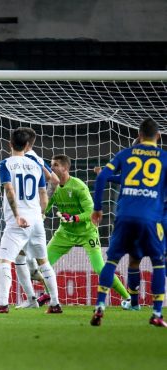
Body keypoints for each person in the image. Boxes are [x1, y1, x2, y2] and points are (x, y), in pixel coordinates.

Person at [90, 118, 167, 327]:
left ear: (139, 135)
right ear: (158, 136)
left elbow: (102, 178)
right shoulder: (164, 158)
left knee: (112, 262)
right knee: (159, 263)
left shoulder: (125, 154)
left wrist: (97, 208)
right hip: (152, 219)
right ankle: (157, 313)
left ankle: (100, 306)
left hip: (124, 217)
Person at [35, 154, 131, 308]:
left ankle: (128, 298)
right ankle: (49, 294)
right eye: (51, 165)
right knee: (42, 265)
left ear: (65, 168)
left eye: (55, 165)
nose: (51, 168)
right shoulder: (53, 187)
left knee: (100, 269)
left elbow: (91, 212)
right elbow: (46, 205)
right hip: (65, 233)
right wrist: (39, 215)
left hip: (87, 232)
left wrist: (74, 218)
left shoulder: (78, 186)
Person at [0, 127, 62, 314]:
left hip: (18, 222)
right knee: (43, 262)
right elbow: (44, 193)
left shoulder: (5, 164)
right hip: (36, 220)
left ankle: (2, 303)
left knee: (4, 260)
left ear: (10, 144)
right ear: (27, 145)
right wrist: (41, 214)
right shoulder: (36, 164)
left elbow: (10, 190)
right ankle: (55, 304)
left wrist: (18, 215)